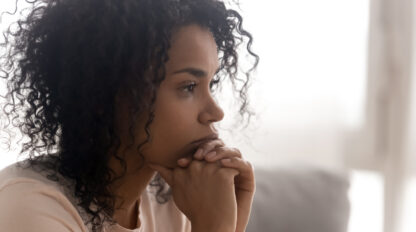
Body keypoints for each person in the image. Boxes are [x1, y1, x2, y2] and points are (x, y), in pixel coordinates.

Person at [0, 0, 259, 231]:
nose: (215, 112)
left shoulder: (178, 198)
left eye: (210, 85)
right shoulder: (26, 207)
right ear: (105, 93)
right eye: (188, 86)